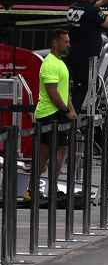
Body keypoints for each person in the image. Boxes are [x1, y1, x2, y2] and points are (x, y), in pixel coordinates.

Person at [31, 30, 76, 201]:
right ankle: (49, 188)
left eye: (68, 41)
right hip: (51, 114)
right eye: (65, 41)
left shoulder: (60, 63)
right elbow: (52, 93)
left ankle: (35, 189)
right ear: (55, 43)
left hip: (57, 113)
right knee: (55, 153)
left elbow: (65, 92)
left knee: (47, 154)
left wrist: (72, 109)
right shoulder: (50, 63)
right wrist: (66, 111)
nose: (68, 44)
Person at [66, 0, 108, 114]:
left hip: (73, 52)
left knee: (76, 85)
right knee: (83, 86)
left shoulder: (73, 7)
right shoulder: (92, 11)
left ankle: (73, 110)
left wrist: (101, 2)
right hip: (87, 56)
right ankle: (75, 113)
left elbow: (87, 11)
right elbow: (107, 23)